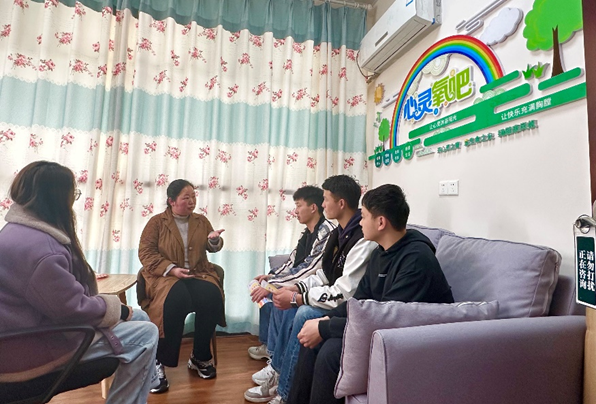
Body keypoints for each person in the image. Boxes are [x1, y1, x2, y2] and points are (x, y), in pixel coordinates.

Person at [0, 161, 159, 404]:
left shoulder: (14, 232)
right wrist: (117, 309)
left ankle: (150, 379)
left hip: (19, 335)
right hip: (29, 349)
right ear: (55, 197)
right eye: (72, 193)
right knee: (146, 335)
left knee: (141, 317)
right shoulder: (42, 251)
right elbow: (72, 309)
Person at [287, 184, 455, 404]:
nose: (360, 222)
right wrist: (325, 319)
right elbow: (359, 301)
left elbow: (388, 317)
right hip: (382, 327)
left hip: (411, 339)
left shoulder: (417, 260)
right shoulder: (379, 252)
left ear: (381, 222)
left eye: (364, 217)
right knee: (312, 339)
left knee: (330, 351)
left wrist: (325, 327)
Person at [245, 175, 377, 404]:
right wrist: (293, 287)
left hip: (346, 305)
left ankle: (285, 392)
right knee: (286, 301)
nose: (323, 204)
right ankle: (278, 371)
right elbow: (324, 274)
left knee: (304, 312)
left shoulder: (362, 238)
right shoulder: (339, 233)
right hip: (332, 296)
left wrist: (298, 297)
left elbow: (344, 292)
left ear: (341, 203)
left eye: (326, 199)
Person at [138, 179, 225, 393]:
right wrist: (171, 269)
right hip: (165, 277)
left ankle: (200, 356)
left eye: (193, 197)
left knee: (212, 295)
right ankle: (158, 362)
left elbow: (212, 247)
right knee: (176, 298)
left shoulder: (201, 221)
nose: (192, 201)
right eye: (186, 197)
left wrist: (214, 241)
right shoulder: (157, 223)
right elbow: (146, 253)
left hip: (197, 273)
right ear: (172, 201)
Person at [248, 186, 335, 362]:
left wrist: (274, 285)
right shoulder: (307, 233)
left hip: (313, 286)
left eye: (298, 206)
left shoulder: (326, 232)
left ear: (313, 207)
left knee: (275, 295)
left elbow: (310, 268)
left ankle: (274, 355)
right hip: (300, 282)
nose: (295, 211)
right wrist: (270, 277)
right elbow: (292, 262)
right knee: (261, 288)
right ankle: (268, 346)